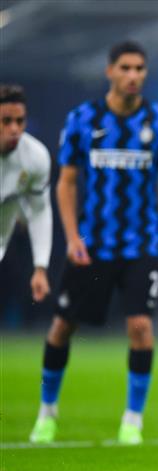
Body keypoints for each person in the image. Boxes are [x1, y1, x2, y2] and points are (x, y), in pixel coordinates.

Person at [28, 41, 158, 446]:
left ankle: (132, 420)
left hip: (142, 246)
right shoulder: (83, 120)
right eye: (126, 68)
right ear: (110, 72)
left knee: (140, 326)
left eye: (140, 68)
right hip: (92, 244)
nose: (134, 75)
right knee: (63, 326)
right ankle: (47, 413)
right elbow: (64, 182)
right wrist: (71, 237)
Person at [0, 84, 52, 306]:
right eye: (6, 121)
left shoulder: (36, 157)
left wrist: (40, 267)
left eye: (20, 121)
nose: (14, 129)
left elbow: (40, 211)